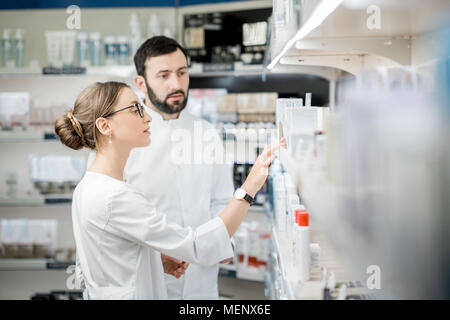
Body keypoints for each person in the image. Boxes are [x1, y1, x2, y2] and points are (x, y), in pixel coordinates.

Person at [55, 80, 284, 299]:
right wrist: (249, 187)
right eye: (135, 109)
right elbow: (197, 246)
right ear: (105, 126)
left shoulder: (88, 186)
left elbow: (105, 260)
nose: (147, 117)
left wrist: (154, 262)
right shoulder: (115, 197)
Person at [128, 36, 234, 299]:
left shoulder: (206, 132)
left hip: (201, 282)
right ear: (141, 83)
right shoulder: (122, 139)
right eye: (163, 75)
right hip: (147, 282)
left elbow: (221, 199)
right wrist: (154, 257)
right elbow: (112, 219)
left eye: (182, 73)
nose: (176, 84)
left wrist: (221, 242)